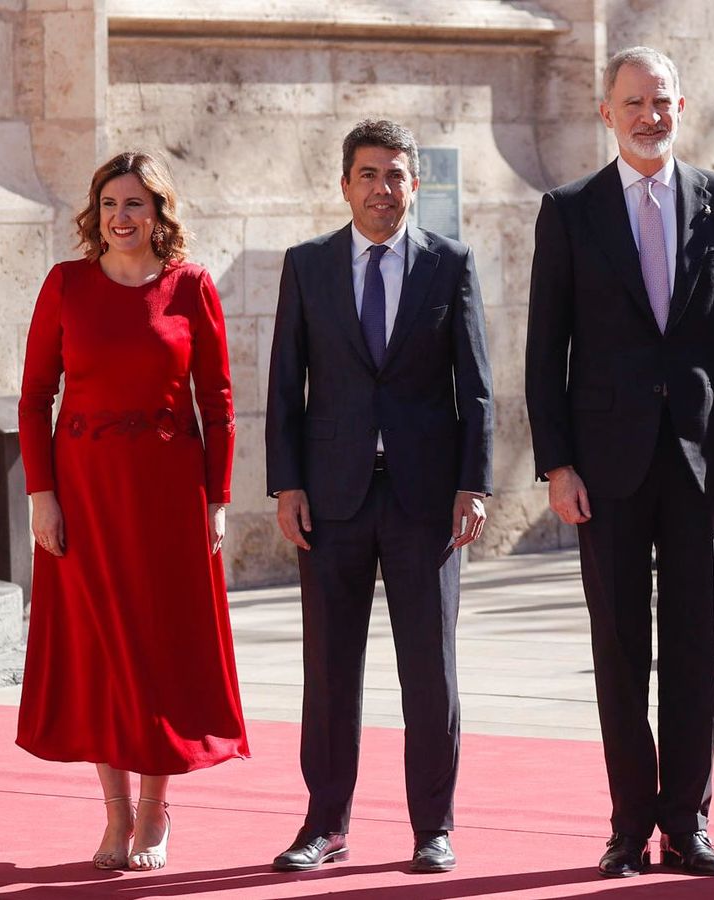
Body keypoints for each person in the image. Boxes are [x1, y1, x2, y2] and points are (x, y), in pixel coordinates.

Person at [524, 46, 714, 880]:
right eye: (633, 101)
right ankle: (630, 826)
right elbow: (543, 351)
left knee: (697, 650)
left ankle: (689, 824)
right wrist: (557, 463)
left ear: (681, 106)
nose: (649, 115)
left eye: (661, 100)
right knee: (621, 650)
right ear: (607, 112)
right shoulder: (567, 211)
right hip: (606, 466)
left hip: (705, 464)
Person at [265, 119, 493, 875]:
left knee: (429, 670)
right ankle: (324, 824)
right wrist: (286, 483)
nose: (381, 189)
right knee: (330, 670)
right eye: (367, 175)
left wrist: (473, 485)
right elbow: (284, 386)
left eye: (395, 175)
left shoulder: (450, 264)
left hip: (426, 501)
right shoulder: (308, 266)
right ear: (344, 184)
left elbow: (478, 389)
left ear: (414, 185)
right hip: (330, 500)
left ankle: (434, 826)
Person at [17, 151, 248, 872]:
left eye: (136, 205)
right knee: (98, 656)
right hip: (83, 496)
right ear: (97, 213)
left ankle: (155, 813)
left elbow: (220, 405)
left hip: (166, 498)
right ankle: (114, 815)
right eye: (111, 203)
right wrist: (41, 495)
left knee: (159, 653)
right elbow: (33, 398)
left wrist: (216, 501)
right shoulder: (66, 285)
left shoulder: (191, 287)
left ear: (158, 215)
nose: (122, 217)